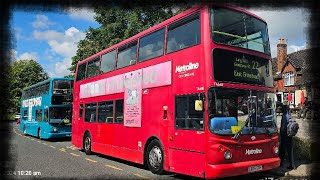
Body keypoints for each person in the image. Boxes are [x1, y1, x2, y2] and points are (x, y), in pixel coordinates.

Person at [279, 100, 295, 170]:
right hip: (289, 134)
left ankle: (281, 162)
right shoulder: (289, 113)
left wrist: (281, 133)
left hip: (285, 134)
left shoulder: (285, 115)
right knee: (289, 150)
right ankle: (291, 164)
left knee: (282, 149)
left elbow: (283, 127)